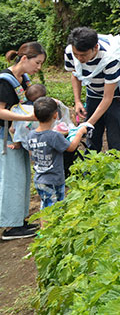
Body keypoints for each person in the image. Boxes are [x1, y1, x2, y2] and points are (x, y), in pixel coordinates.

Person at [0, 43, 45, 240]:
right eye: (37, 62)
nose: (39, 68)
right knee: (11, 179)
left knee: (22, 178)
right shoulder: (4, 81)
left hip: (17, 136)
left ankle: (19, 220)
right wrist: (28, 119)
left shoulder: (23, 79)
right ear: (24, 59)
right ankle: (10, 226)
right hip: (5, 137)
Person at [64, 27, 120, 152]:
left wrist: (87, 124)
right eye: (76, 54)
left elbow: (107, 97)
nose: (79, 58)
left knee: (115, 137)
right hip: (93, 92)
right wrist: (77, 101)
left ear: (95, 47)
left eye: (83, 55)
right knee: (92, 137)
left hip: (116, 96)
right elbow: (75, 75)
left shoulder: (111, 59)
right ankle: (90, 168)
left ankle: (116, 166)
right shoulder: (70, 51)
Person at [26, 97, 88, 210]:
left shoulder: (31, 135)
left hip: (40, 177)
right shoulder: (54, 136)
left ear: (34, 116)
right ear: (55, 115)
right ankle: (47, 227)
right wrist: (80, 132)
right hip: (54, 179)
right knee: (50, 209)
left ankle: (47, 226)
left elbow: (31, 153)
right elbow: (71, 148)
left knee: (47, 204)